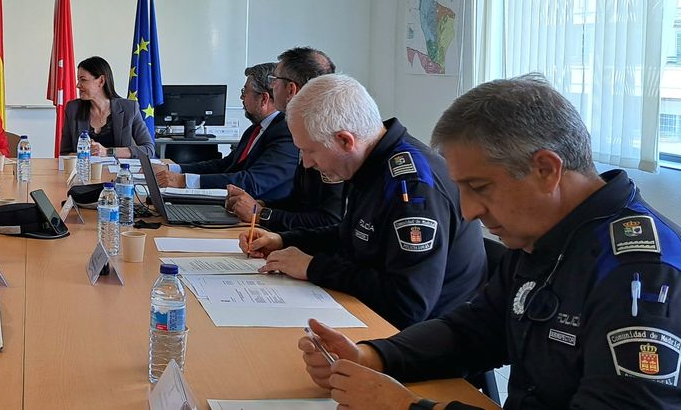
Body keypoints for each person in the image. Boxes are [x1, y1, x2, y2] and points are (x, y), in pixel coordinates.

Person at [297, 75, 681, 410]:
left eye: (479, 188)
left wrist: (408, 407)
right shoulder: (544, 232)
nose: (466, 212)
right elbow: (475, 330)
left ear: (546, 170)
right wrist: (374, 355)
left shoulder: (642, 273)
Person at [243, 74, 486, 330]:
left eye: (310, 150)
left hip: (423, 347)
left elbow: (407, 303)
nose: (306, 163)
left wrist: (314, 267)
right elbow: (356, 235)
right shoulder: (370, 164)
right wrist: (285, 240)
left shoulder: (411, 187)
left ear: (345, 140)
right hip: (377, 324)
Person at [225, 47, 343, 231]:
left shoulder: (327, 135)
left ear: (290, 89)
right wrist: (261, 205)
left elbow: (330, 220)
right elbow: (299, 201)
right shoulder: (304, 127)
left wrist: (261, 213)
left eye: (274, 80)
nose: (271, 87)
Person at [154, 62, 297, 199]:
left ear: (264, 99)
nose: (241, 97)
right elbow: (225, 165)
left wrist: (184, 181)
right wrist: (173, 169)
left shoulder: (285, 132)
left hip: (257, 216)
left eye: (244, 92)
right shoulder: (255, 130)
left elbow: (253, 182)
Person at [58, 56, 156, 158]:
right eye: (78, 80)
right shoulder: (73, 109)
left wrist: (108, 151)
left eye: (83, 80)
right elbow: (64, 153)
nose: (78, 85)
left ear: (101, 81)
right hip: (85, 172)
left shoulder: (129, 108)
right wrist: (85, 153)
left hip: (120, 173)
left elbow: (148, 150)